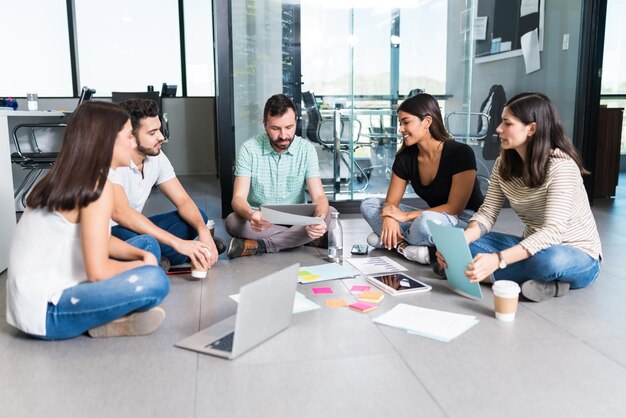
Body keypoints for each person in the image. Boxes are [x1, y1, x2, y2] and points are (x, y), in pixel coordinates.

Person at [6, 101, 170, 340]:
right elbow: (98, 272)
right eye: (128, 136)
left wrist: (141, 257)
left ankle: (103, 319)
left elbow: (99, 239)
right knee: (156, 281)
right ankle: (97, 317)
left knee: (145, 247)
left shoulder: (75, 178)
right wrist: (143, 266)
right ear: (107, 142)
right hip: (47, 315)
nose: (133, 143)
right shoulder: (98, 188)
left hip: (27, 306)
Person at [436, 92, 602, 302]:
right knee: (458, 238)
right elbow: (487, 214)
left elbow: (552, 233)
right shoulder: (503, 164)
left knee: (548, 261)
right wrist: (458, 245)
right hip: (532, 246)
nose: (498, 129)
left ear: (531, 129)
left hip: (576, 254)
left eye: (507, 123)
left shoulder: (562, 168)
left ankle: (476, 274)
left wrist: (498, 259)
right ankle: (545, 284)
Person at [360, 93, 484, 264]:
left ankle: (392, 241)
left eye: (406, 122)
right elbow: (390, 203)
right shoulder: (405, 157)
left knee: (425, 222)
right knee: (369, 204)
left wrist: (406, 216)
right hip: (434, 217)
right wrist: (388, 218)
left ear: (427, 122)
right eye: (400, 123)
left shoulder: (461, 153)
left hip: (465, 220)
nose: (401, 129)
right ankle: (408, 246)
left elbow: (455, 207)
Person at [109, 99, 224, 272]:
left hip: (136, 227)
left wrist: (203, 231)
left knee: (198, 217)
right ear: (129, 135)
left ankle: (165, 255)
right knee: (147, 242)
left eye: (159, 129)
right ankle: (176, 252)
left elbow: (183, 200)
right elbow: (121, 214)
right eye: (152, 132)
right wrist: (177, 242)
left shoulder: (156, 156)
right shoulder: (113, 159)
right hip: (111, 233)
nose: (161, 137)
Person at [225, 93, 333, 258]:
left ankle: (261, 245)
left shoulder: (306, 149)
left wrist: (318, 219)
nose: (283, 135)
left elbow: (318, 196)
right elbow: (238, 198)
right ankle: (302, 239)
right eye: (275, 128)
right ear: (265, 125)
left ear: (295, 122)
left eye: (289, 127)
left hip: (298, 219)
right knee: (233, 222)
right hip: (261, 221)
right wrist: (251, 215)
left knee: (328, 213)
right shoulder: (249, 149)